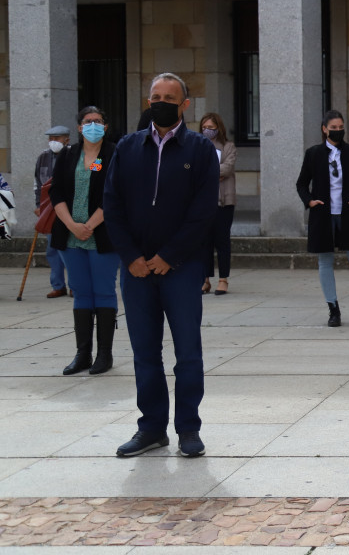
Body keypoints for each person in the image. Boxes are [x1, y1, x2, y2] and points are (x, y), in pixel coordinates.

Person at [103, 72, 218, 458]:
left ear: (185, 104)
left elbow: (203, 213)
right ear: (147, 100)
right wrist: (131, 257)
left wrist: (170, 256)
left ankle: (188, 428)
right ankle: (151, 428)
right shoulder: (127, 147)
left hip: (181, 268)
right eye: (156, 95)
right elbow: (112, 205)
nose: (162, 101)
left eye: (170, 96)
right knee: (145, 353)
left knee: (187, 352)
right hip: (135, 270)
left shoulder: (200, 149)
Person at [52, 107, 120, 376]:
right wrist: (72, 225)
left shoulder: (113, 154)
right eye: (88, 122)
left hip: (101, 234)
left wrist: (89, 225)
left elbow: (115, 193)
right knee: (80, 292)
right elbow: (56, 192)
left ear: (106, 126)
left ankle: (105, 354)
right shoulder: (69, 155)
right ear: (79, 128)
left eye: (98, 122)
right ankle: (83, 353)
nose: (93, 125)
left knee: (103, 291)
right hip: (71, 235)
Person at [297, 110, 349, 328]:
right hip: (323, 214)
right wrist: (310, 201)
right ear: (324, 129)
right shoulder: (313, 154)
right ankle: (333, 309)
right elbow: (302, 183)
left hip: (348, 213)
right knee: (325, 261)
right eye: (333, 128)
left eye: (341, 127)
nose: (338, 131)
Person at [199, 113, 236, 296]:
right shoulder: (197, 146)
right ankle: (205, 279)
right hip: (203, 202)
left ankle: (223, 279)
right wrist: (214, 173)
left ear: (218, 128)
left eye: (211, 128)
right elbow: (194, 170)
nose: (208, 131)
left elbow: (227, 168)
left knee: (222, 241)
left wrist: (208, 172)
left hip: (224, 202)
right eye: (205, 127)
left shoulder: (228, 147)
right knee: (203, 242)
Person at [37, 124, 72, 298]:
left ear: (67, 139)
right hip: (49, 209)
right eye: (50, 139)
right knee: (52, 248)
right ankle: (58, 285)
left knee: (70, 247)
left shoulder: (75, 154)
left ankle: (74, 284)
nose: (53, 142)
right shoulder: (43, 157)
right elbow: (38, 183)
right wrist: (38, 205)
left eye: (56, 139)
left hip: (70, 207)